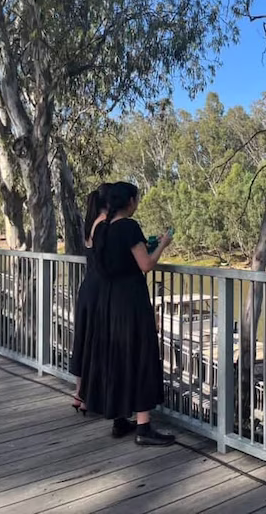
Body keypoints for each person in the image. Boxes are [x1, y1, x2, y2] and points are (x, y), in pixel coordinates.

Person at [79, 181, 175, 445]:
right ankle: (144, 427)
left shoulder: (102, 229)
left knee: (118, 357)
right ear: (130, 201)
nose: (137, 203)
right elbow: (146, 264)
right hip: (131, 301)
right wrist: (163, 244)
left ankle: (120, 419)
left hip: (109, 302)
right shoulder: (129, 227)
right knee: (140, 355)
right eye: (137, 199)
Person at [70, 183, 111, 414]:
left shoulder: (89, 224)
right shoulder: (104, 225)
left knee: (83, 340)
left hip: (87, 288)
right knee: (95, 342)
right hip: (100, 290)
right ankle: (90, 396)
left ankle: (79, 393)